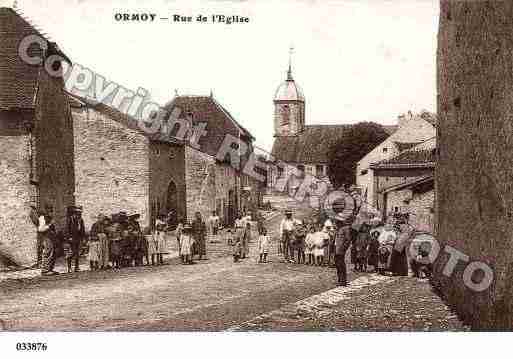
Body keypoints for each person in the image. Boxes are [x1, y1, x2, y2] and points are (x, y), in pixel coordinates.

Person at [39, 204, 59, 276]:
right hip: (47, 237)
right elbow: (41, 229)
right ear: (46, 209)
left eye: (51, 209)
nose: (51, 211)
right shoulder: (42, 218)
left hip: (51, 237)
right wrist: (50, 224)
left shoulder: (49, 217)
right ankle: (45, 270)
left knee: (52, 253)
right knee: (48, 252)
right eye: (49, 209)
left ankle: (50, 269)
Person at [334, 219, 353, 286]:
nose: (335, 225)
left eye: (336, 223)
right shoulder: (338, 229)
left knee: (341, 265)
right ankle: (340, 280)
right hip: (337, 249)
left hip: (341, 250)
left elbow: (348, 240)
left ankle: (343, 281)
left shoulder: (345, 229)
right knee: (338, 265)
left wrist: (343, 248)